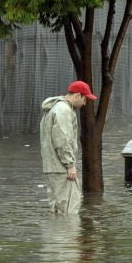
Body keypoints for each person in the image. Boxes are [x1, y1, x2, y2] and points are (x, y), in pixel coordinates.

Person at [40, 80, 97, 214]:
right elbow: (62, 140)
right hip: (61, 168)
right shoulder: (64, 111)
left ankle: (59, 234)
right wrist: (70, 164)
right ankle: (69, 235)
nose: (85, 103)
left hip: (52, 167)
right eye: (85, 99)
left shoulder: (53, 108)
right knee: (69, 210)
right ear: (77, 95)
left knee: (57, 209)